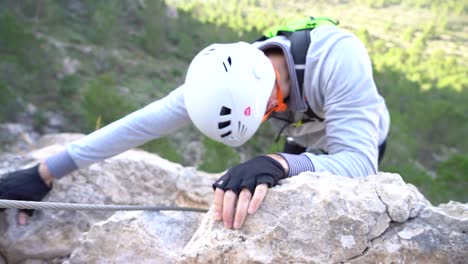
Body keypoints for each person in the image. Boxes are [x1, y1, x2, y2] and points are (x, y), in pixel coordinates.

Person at [0, 19, 390, 229]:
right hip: (300, 135)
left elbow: (359, 163)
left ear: (270, 102)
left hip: (357, 134)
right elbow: (141, 124)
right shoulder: (223, 76)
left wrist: (279, 163)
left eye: (269, 112)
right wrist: (45, 171)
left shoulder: (338, 58)